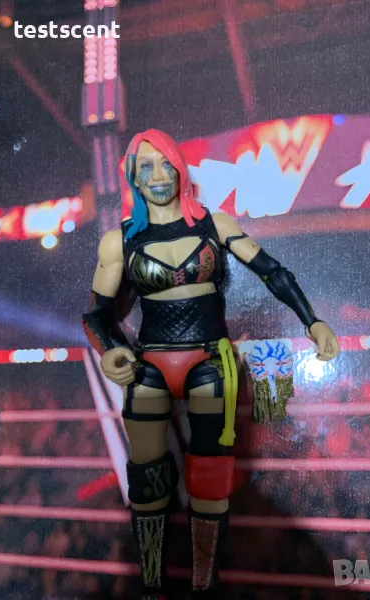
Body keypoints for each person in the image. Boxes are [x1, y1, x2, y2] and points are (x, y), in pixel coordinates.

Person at [82, 129, 340, 599]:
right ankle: (153, 585)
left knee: (210, 476)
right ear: (133, 177)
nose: (158, 175)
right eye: (146, 166)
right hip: (150, 363)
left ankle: (204, 584)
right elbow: (96, 315)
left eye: (165, 163)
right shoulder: (119, 242)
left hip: (209, 357)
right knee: (147, 478)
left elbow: (272, 272)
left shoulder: (213, 225)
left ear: (180, 167)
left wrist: (313, 320)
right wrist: (111, 349)